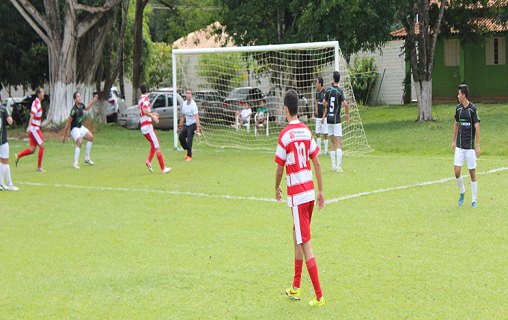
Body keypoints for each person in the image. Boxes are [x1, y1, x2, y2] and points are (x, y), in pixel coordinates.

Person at [275, 89, 325, 307]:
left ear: (285, 109)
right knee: (297, 234)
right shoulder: (306, 131)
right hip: (310, 193)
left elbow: (279, 167)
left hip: (297, 195)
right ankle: (296, 285)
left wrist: (276, 187)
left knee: (305, 243)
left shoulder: (285, 135)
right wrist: (321, 191)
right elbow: (317, 162)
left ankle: (320, 296)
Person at [452, 84, 480, 208]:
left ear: (463, 95)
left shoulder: (472, 109)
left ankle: (474, 199)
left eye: (459, 94)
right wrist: (453, 141)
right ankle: (462, 192)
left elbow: (477, 127)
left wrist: (477, 145)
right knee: (457, 171)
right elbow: (455, 124)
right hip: (459, 146)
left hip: (469, 147)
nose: (457, 96)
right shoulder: (458, 109)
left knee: (472, 172)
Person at [138, 85, 171, 174]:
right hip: (147, 126)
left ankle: (148, 161)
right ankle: (163, 168)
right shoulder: (146, 100)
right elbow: (145, 111)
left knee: (154, 144)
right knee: (157, 146)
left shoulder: (140, 99)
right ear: (147, 91)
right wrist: (153, 116)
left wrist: (152, 113)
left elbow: (144, 112)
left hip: (144, 126)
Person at [61, 91, 98, 169]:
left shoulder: (81, 105)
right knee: (80, 141)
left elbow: (87, 108)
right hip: (74, 129)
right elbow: (68, 123)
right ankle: (75, 163)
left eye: (79, 96)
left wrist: (93, 101)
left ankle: (87, 158)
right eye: (78, 96)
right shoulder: (73, 110)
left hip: (80, 127)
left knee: (91, 137)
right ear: (75, 99)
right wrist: (64, 136)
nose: (79, 97)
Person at [323, 71, 349, 172]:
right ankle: (339, 166)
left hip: (329, 118)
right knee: (339, 142)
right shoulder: (340, 91)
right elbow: (346, 104)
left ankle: (333, 165)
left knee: (332, 142)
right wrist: (347, 114)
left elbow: (324, 102)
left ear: (333, 79)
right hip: (336, 119)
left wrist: (328, 107)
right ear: (339, 79)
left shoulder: (328, 90)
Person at [15, 88, 46, 172]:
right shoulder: (36, 103)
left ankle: (18, 156)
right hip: (34, 128)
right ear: (39, 94)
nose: (44, 93)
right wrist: (29, 127)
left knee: (32, 149)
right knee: (42, 145)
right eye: (42, 92)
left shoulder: (37, 102)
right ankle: (39, 168)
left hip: (34, 128)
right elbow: (32, 115)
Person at [0, 94, 19, 191]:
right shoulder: (3, 109)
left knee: (1, 160)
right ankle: (9, 184)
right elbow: (10, 121)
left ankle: (1, 183)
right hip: (2, 140)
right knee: (5, 160)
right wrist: (10, 114)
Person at [178, 89, 201, 161]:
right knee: (181, 137)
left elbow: (196, 116)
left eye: (189, 93)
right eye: (187, 93)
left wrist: (197, 127)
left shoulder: (193, 105)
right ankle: (188, 149)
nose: (188, 95)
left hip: (193, 124)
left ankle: (189, 156)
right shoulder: (184, 103)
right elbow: (183, 115)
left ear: (191, 95)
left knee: (189, 138)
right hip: (187, 124)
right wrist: (180, 124)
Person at [315, 77, 329, 155]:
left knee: (325, 133)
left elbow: (326, 106)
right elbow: (316, 102)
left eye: (317, 82)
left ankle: (326, 150)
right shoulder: (317, 93)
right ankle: (319, 150)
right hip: (318, 117)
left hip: (324, 117)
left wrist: (324, 117)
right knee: (317, 133)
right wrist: (316, 109)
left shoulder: (325, 93)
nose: (316, 84)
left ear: (320, 83)